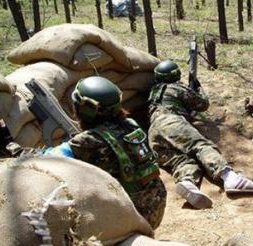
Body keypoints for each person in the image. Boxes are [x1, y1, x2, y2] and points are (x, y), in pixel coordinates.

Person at [44, 76, 166, 229]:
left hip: (131, 217)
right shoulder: (131, 125)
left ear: (83, 110)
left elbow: (47, 159)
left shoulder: (84, 142)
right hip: (156, 207)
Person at [148, 60, 253, 209]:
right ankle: (230, 178)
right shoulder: (177, 88)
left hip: (153, 133)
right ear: (176, 74)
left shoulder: (153, 91)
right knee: (200, 145)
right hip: (171, 122)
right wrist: (197, 86)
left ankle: (188, 183)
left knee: (181, 160)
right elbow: (203, 104)